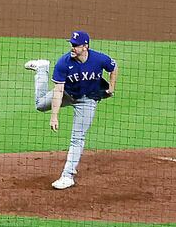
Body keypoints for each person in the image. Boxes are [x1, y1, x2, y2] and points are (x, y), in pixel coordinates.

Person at [30, 29, 118, 190]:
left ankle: (67, 175)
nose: (73, 47)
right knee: (40, 105)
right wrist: (54, 116)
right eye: (72, 44)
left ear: (85, 46)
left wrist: (111, 88)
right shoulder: (64, 63)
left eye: (76, 45)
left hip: (87, 100)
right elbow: (58, 91)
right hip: (67, 94)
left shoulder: (99, 59)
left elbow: (113, 66)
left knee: (77, 137)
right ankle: (42, 69)